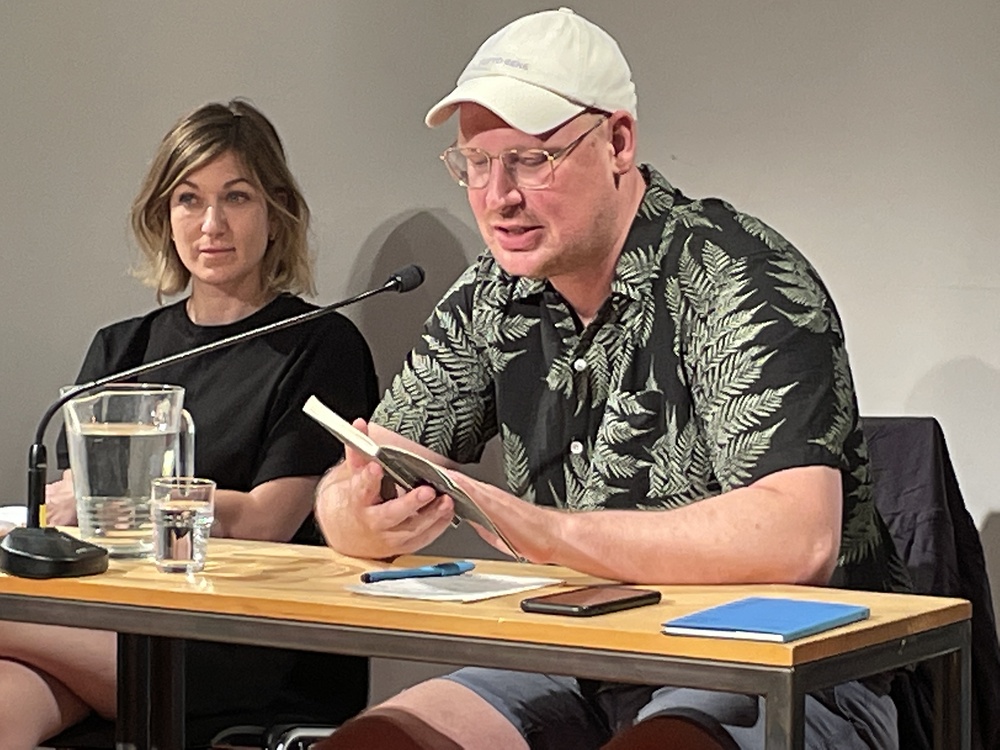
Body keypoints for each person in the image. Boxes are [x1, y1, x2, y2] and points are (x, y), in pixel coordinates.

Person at [314, 8, 911, 750]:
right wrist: (354, 517)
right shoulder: (492, 294)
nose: (498, 196)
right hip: (573, 653)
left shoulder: (737, 274)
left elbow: (799, 537)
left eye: (531, 160)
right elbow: (365, 469)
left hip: (767, 661)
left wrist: (548, 533)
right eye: (476, 163)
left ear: (619, 143)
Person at [0, 99, 377, 749]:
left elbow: (265, 520)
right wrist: (104, 509)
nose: (211, 224)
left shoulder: (320, 345)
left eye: (236, 197)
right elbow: (78, 513)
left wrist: (117, 506)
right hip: (112, 620)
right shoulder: (122, 348)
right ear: (163, 216)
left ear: (276, 212)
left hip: (243, 634)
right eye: (188, 199)